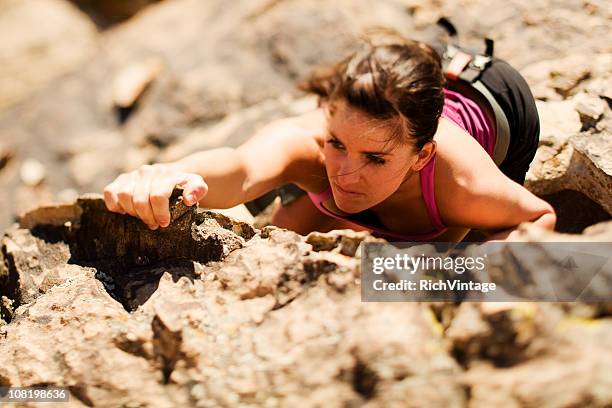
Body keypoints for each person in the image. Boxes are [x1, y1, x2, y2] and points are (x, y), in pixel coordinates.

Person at [103, 31, 556, 242]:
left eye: (375, 159)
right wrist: (171, 174)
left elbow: (538, 218)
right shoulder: (311, 144)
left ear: (422, 157)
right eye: (338, 144)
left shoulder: (458, 181)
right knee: (278, 236)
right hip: (403, 93)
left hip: (497, 101)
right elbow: (241, 170)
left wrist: (462, 281)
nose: (346, 173)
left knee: (438, 249)